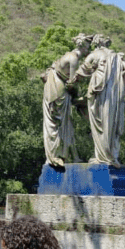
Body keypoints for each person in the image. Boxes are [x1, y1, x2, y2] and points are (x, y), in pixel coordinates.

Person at [69, 34, 125, 167]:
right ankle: (111, 156)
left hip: (98, 93)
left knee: (100, 125)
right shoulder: (117, 57)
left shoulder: (95, 54)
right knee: (111, 125)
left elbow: (81, 72)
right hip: (114, 96)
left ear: (96, 43)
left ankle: (102, 157)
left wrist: (70, 82)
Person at [41, 34, 91, 167]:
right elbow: (71, 83)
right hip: (59, 90)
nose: (89, 50)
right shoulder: (73, 59)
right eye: (88, 47)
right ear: (82, 47)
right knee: (60, 123)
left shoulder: (68, 55)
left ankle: (68, 156)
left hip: (54, 87)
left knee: (64, 123)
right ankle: (55, 156)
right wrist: (80, 98)